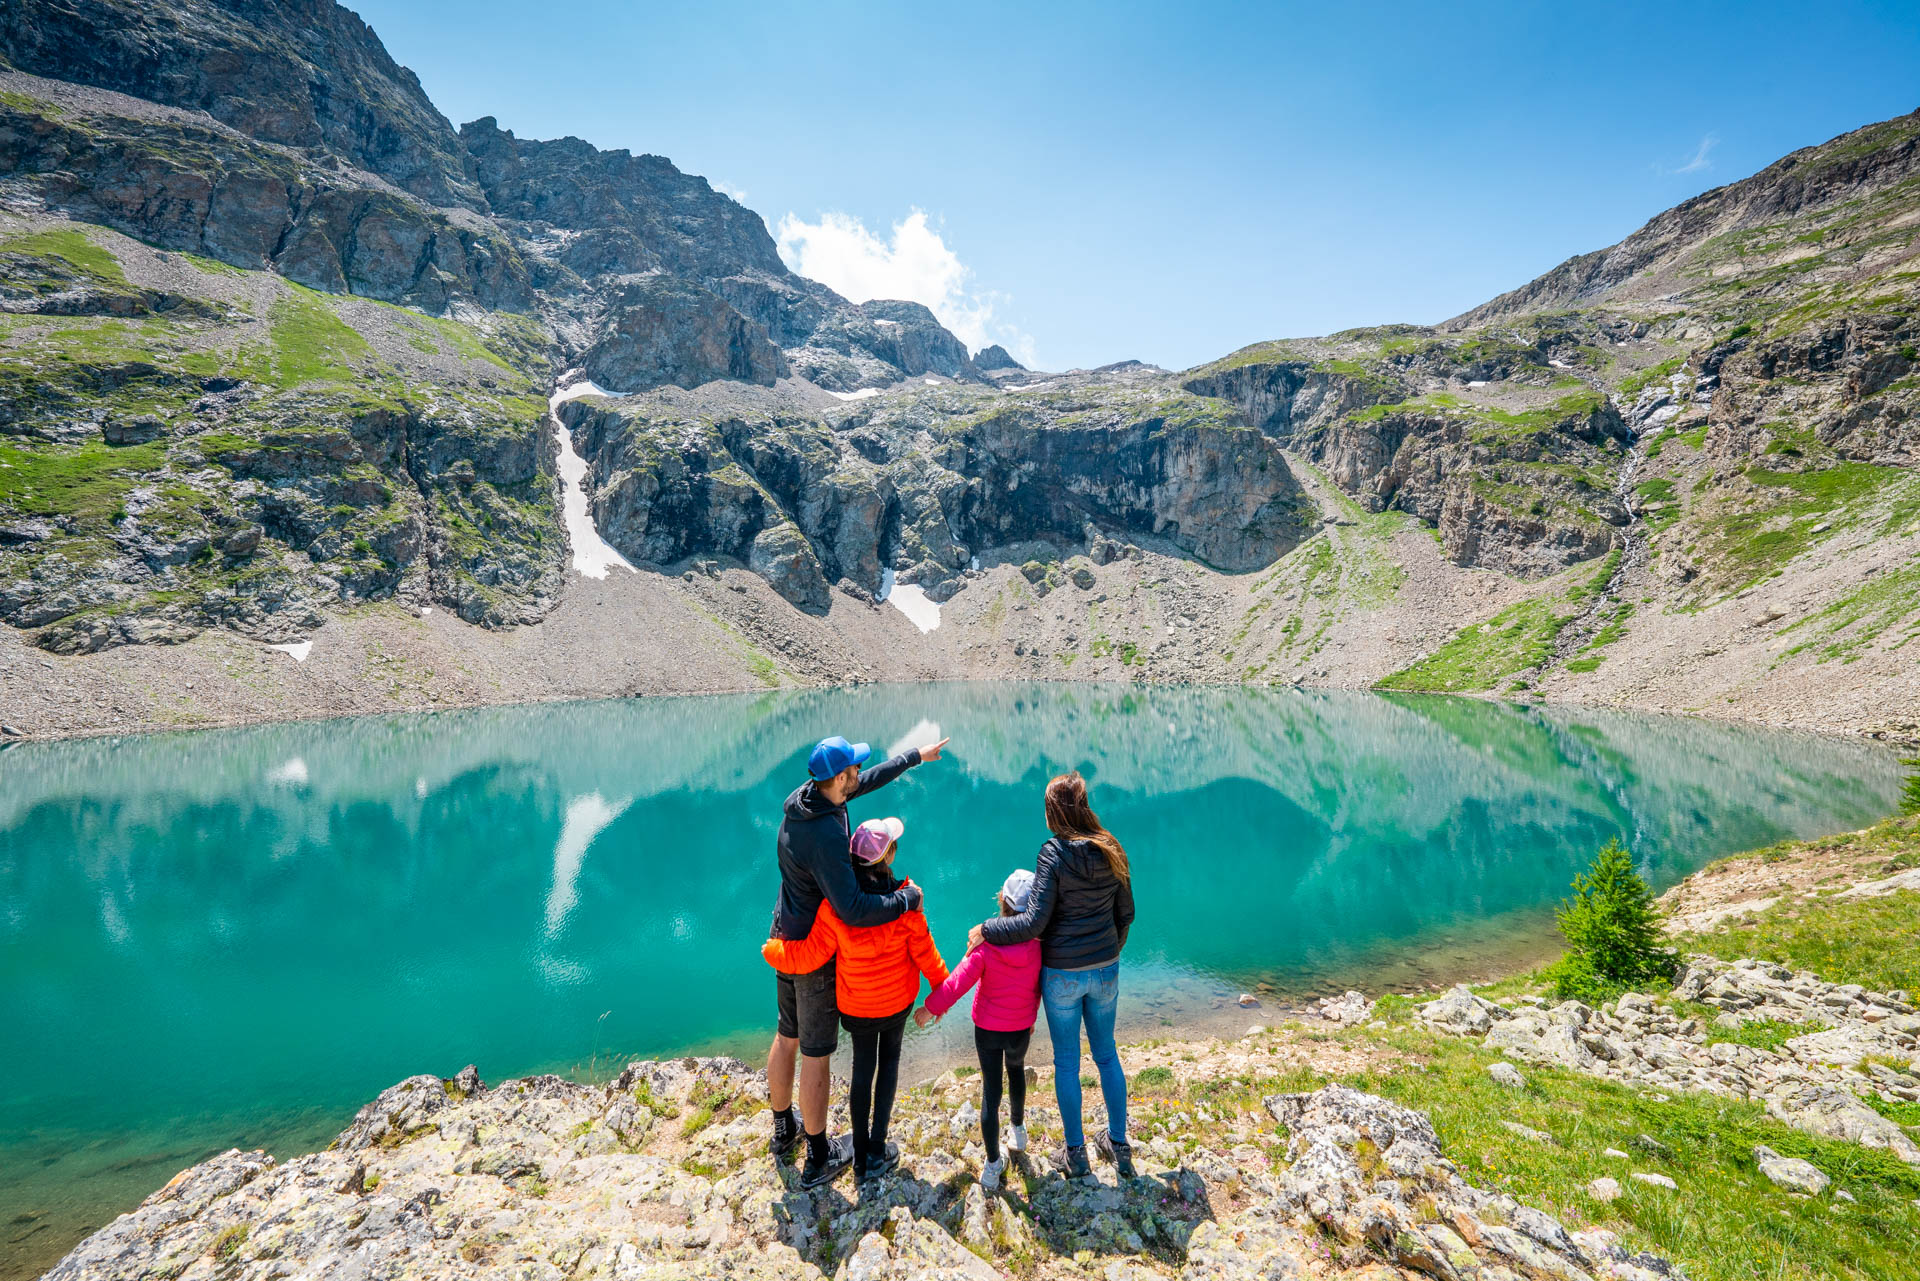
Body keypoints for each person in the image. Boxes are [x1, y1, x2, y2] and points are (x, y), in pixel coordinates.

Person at [765, 732, 948, 1188]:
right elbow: (853, 910)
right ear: (838, 777)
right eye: (853, 772)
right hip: (814, 945)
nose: (858, 778)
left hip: (784, 933)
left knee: (786, 1035)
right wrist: (906, 902)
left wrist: (913, 758)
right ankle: (818, 1158)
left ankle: (782, 1126)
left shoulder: (806, 799)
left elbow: (867, 782)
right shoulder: (827, 835)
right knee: (816, 1053)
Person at [969, 770, 1135, 1180]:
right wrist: (1109, 951)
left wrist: (986, 929)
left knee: (1066, 1061)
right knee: (1107, 1053)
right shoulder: (1111, 847)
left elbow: (1032, 923)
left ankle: (1076, 1154)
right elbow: (1126, 914)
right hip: (1105, 970)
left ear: (1054, 811)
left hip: (1062, 973)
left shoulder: (1052, 853)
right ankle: (1118, 1143)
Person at [917, 867, 1043, 1191]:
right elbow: (1041, 987)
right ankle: (1017, 1129)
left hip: (988, 1029)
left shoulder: (985, 947)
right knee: (1015, 1072)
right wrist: (1031, 1016)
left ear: (1002, 902)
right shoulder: (1038, 947)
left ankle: (992, 1165)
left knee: (991, 1090)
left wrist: (930, 1008)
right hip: (1020, 1029)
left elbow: (957, 983)